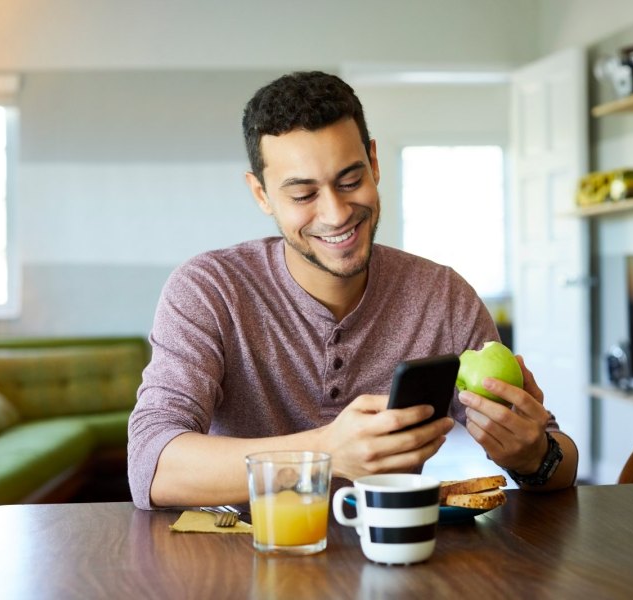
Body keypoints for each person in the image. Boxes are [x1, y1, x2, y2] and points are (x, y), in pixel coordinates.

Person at [127, 71, 578, 510]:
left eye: (350, 181)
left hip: (392, 560)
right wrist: (324, 452)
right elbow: (151, 464)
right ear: (262, 195)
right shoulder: (209, 290)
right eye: (303, 195)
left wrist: (533, 454)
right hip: (238, 563)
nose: (337, 213)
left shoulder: (443, 296)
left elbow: (559, 460)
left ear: (374, 163)